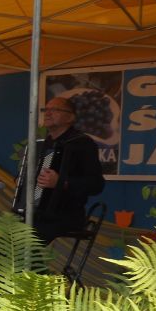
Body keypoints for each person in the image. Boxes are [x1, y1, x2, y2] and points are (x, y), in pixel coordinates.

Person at [31, 96, 105, 244]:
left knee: (21, 248)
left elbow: (96, 184)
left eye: (55, 110)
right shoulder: (43, 144)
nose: (48, 113)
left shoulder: (82, 144)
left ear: (70, 117)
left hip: (65, 215)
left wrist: (61, 182)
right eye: (46, 109)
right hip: (37, 214)